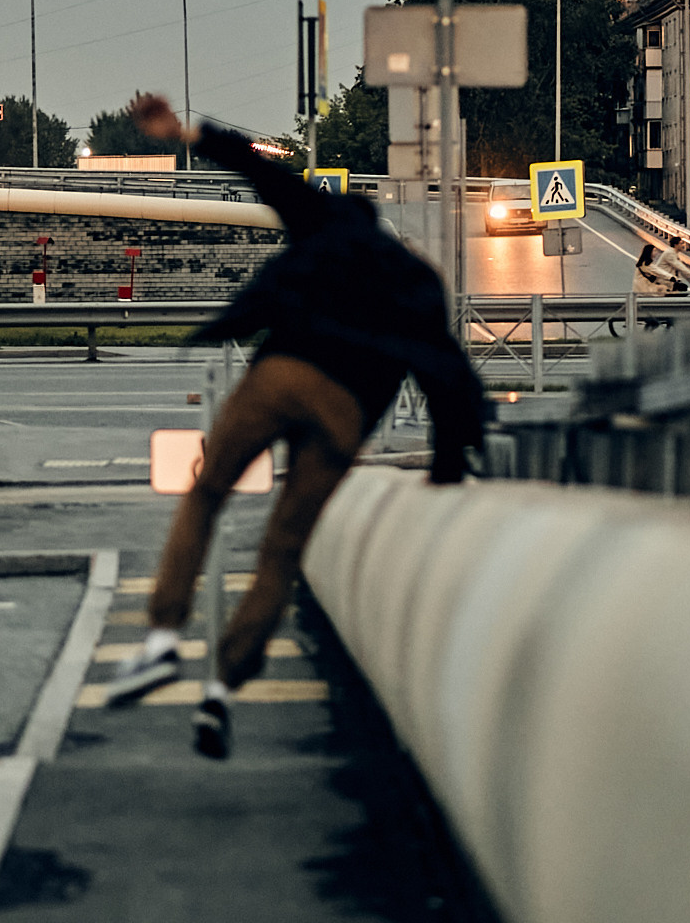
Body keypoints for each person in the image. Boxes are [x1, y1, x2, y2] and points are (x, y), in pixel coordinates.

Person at [102, 93, 486, 759]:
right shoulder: (414, 279)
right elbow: (445, 374)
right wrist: (447, 466)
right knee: (281, 551)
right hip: (344, 413)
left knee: (208, 493)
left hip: (281, 375)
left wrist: (186, 132)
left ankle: (163, 639)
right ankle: (222, 689)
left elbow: (265, 175)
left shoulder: (325, 221)